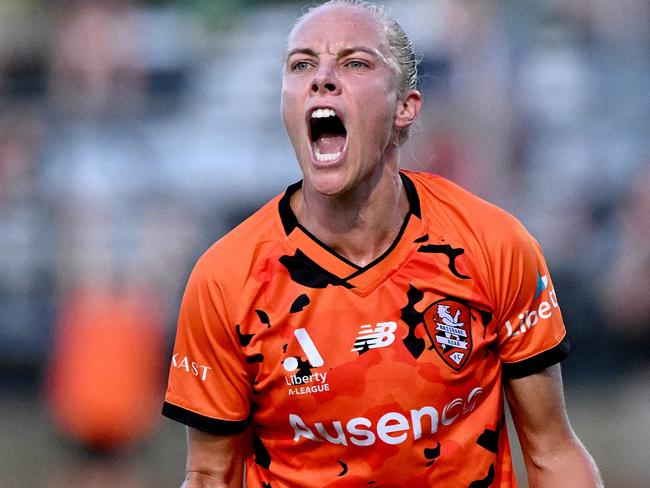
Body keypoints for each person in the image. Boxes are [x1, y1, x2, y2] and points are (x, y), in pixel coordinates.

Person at [162, 1, 603, 486]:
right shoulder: (227, 278)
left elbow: (551, 453)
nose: (322, 78)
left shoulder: (492, 245)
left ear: (404, 107)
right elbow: (208, 474)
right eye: (302, 64)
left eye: (355, 63)